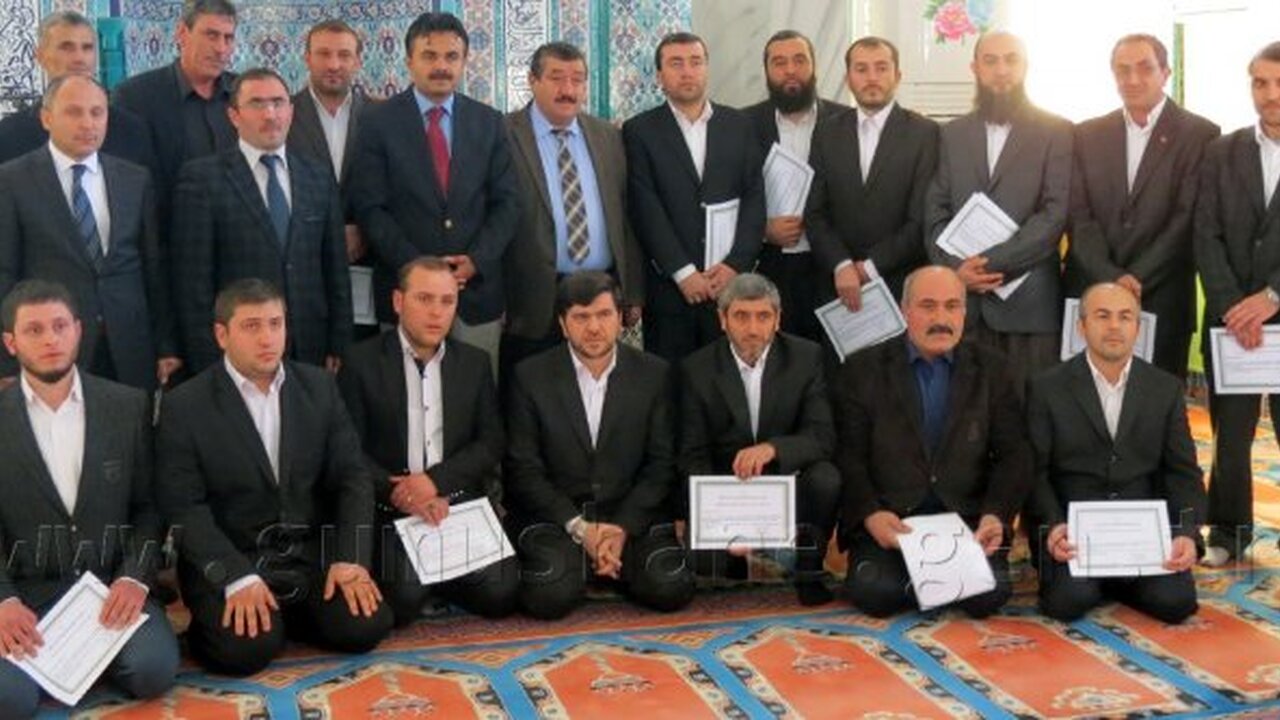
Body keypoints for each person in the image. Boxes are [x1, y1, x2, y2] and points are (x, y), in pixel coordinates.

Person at [156, 279, 391, 676]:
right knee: (245, 651)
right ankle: (237, 622)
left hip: (307, 556)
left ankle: (289, 615)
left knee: (366, 626)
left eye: (275, 323)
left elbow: (352, 477)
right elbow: (183, 506)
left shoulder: (319, 387)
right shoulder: (185, 405)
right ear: (222, 335)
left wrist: (350, 558)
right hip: (233, 559)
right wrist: (235, 577)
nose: (267, 338)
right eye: (251, 326)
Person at [0, 280, 177, 718]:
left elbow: (148, 507)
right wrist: (3, 601)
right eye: (34, 330)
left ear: (79, 330)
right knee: (11, 701)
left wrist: (134, 578)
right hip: (26, 596)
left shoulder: (127, 406)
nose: (51, 339)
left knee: (152, 670)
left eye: (60, 326)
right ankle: (66, 662)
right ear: (10, 342)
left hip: (109, 589)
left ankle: (84, 659)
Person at [835, 266, 1032, 617]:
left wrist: (995, 516)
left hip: (965, 523)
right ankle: (925, 579)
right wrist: (870, 514)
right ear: (904, 310)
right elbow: (849, 455)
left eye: (952, 306)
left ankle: (924, 580)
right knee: (876, 594)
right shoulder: (862, 368)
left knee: (990, 597)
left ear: (964, 312)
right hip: (893, 523)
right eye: (928, 306)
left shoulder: (994, 369)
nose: (941, 319)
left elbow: (1014, 453)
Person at [337, 257, 518, 624]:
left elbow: (491, 441)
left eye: (447, 301)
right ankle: (434, 579)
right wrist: (400, 492)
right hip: (393, 507)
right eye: (424, 299)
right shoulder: (360, 362)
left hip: (456, 504)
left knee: (502, 594)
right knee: (402, 602)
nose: (436, 312)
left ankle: (442, 578)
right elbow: (348, 450)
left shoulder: (475, 363)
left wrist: (435, 483)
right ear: (398, 301)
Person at [505, 272, 695, 619]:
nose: (593, 328)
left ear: (621, 318)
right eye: (581, 317)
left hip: (630, 515)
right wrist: (580, 528)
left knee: (671, 588)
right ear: (562, 324)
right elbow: (523, 470)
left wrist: (621, 528)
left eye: (604, 314)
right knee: (549, 598)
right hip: (560, 518)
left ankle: (606, 560)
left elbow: (661, 465)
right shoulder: (529, 376)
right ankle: (594, 564)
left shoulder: (654, 373)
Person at [351, 11, 519, 374]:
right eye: (429, 56)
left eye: (451, 56)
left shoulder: (489, 121)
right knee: (406, 397)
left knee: (474, 394)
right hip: (406, 291)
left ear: (464, 62)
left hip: (475, 294)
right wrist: (418, 270)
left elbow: (507, 203)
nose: (441, 66)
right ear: (409, 61)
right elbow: (370, 208)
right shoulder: (377, 123)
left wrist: (476, 260)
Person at [1028, 282, 1203, 623]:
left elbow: (1183, 472)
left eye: (1125, 317)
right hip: (1074, 535)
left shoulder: (1165, 388)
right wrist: (1052, 526)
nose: (1114, 326)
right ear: (1081, 326)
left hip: (1143, 534)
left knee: (1177, 604)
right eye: (1102, 316)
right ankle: (1107, 582)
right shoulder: (1047, 386)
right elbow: (1035, 471)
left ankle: (1121, 579)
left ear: (1138, 327)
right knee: (1067, 603)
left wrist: (1186, 532)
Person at [0, 75, 178, 391]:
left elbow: (153, 267)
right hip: (52, 345)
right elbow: (5, 273)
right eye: (74, 112)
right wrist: (6, 360)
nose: (87, 123)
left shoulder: (134, 179)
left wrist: (166, 344)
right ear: (46, 118)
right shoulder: (12, 181)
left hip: (129, 343)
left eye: (97, 112)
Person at [171, 67, 351, 373]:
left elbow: (335, 268)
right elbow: (193, 283)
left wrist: (339, 340)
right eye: (257, 104)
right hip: (239, 348)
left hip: (310, 343)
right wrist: (207, 357)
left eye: (278, 103)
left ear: (291, 111)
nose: (270, 114)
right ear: (234, 116)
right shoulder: (203, 179)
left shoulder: (317, 176)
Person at [678, 273, 840, 605]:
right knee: (706, 566)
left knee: (826, 478)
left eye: (763, 316)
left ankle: (808, 570)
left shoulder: (806, 357)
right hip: (727, 489)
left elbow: (821, 436)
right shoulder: (696, 369)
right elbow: (692, 455)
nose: (753, 329)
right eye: (741, 316)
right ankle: (736, 559)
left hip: (786, 482)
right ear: (722, 319)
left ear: (777, 319)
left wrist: (772, 449)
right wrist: (724, 520)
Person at [1065, 34, 1219, 380]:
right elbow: (1079, 216)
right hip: (1092, 292)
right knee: (1086, 401)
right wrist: (1111, 277)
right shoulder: (1086, 134)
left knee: (1156, 404)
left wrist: (1134, 280)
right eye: (1123, 70)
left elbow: (1186, 218)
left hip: (1162, 297)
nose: (1133, 79)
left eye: (1145, 68)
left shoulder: (1200, 134)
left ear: (1166, 73)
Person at [925, 31, 1072, 383]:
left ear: (1026, 67)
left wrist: (987, 265)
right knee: (965, 409)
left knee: (1029, 411)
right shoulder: (951, 133)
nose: (1001, 70)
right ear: (975, 68)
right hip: (964, 307)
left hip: (1030, 310)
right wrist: (955, 270)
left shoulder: (1058, 130)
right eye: (990, 61)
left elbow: (1054, 214)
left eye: (1011, 60)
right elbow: (935, 209)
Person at [503, 41, 644, 380]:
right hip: (530, 295)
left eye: (577, 80)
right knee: (532, 390)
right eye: (556, 78)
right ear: (532, 80)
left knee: (595, 391)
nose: (568, 90)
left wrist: (633, 291)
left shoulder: (608, 136)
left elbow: (627, 216)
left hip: (601, 289)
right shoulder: (503, 134)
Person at [624, 32, 766, 364]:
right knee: (670, 381)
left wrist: (735, 265)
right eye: (676, 64)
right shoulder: (640, 130)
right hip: (670, 291)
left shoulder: (739, 124)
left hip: (730, 289)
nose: (687, 71)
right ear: (660, 75)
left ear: (707, 68)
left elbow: (754, 197)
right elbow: (645, 206)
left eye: (696, 62)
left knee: (726, 380)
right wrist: (683, 272)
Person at [1193, 41, 1280, 565]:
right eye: (1260, 82)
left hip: (1276, 310)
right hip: (1231, 323)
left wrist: (1271, 297)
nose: (1270, 94)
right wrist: (1232, 306)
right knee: (1230, 433)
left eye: (1279, 83)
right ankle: (1228, 534)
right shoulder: (1221, 151)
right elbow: (1205, 233)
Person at [806, 37, 938, 311]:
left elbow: (921, 219)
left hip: (900, 285)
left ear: (897, 76)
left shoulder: (925, 133)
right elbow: (815, 213)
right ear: (848, 79)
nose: (872, 78)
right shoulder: (826, 132)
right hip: (837, 287)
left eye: (881, 68)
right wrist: (842, 265)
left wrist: (869, 268)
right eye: (861, 69)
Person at [741, 30, 845, 342]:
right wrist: (762, 229)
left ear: (814, 66)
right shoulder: (742, 125)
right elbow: (728, 195)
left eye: (799, 60)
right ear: (766, 71)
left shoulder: (846, 122)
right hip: (769, 266)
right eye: (779, 62)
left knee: (832, 357)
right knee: (776, 357)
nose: (790, 70)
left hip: (833, 267)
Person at [113, 0, 239, 231]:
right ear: (182, 33)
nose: (221, 48)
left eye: (228, 38)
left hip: (239, 239)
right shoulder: (135, 97)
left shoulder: (245, 93)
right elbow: (128, 184)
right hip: (169, 236)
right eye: (211, 35)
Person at [0, 11, 155, 169]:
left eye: (87, 48)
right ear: (40, 56)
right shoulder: (11, 135)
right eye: (66, 48)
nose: (79, 58)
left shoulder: (130, 131)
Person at [287, 19, 371, 275]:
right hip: (301, 259)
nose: (333, 65)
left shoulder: (380, 116)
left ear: (357, 61)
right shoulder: (282, 115)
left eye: (344, 55)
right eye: (323, 54)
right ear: (307, 59)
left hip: (368, 258)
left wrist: (364, 229)